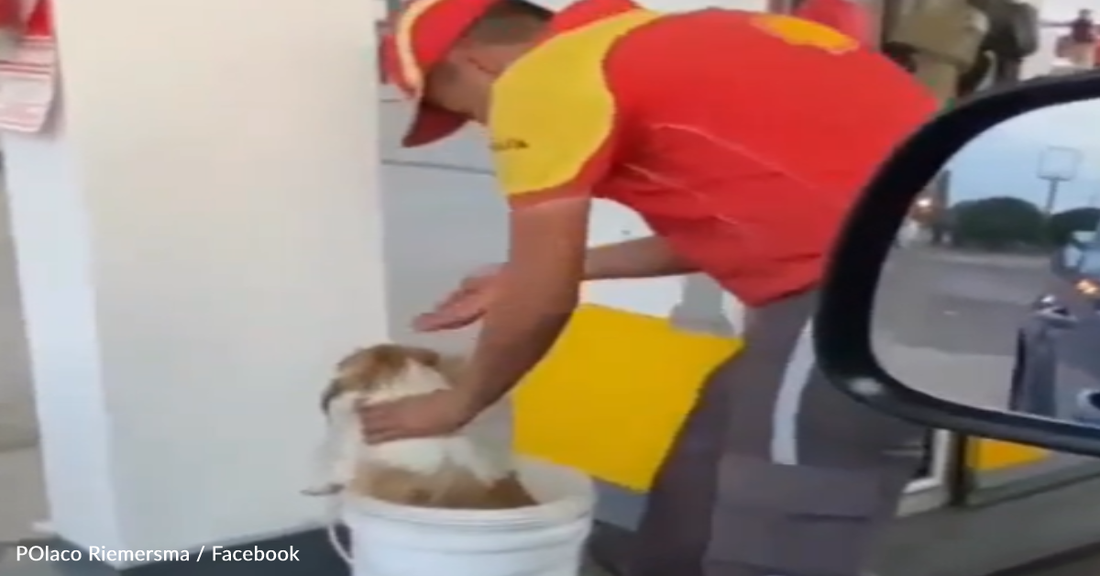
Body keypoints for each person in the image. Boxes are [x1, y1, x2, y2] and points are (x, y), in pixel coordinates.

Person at [361, 1, 937, 575]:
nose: (484, 125)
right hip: (896, 279)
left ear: (476, 63)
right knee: (700, 476)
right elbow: (751, 225)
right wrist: (554, 269)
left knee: (782, 526)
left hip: (854, 298)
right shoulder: (687, 38)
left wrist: (456, 404)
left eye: (454, 105)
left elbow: (544, 298)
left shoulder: (544, 79)